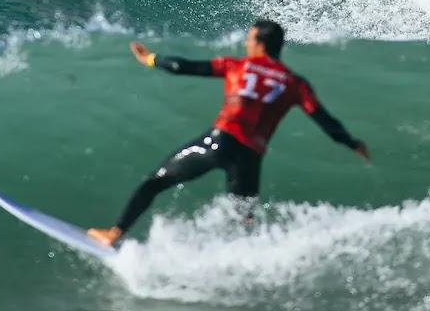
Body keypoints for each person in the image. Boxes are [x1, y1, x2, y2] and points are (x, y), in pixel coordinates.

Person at [88, 20, 370, 247]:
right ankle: (243, 263)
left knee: (154, 184)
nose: (246, 43)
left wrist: (150, 58)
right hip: (250, 157)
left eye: (250, 38)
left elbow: (183, 66)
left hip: (219, 142)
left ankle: (114, 234)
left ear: (259, 43)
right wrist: (352, 143)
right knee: (244, 218)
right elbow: (324, 120)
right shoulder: (295, 83)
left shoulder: (238, 66)